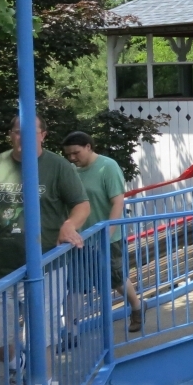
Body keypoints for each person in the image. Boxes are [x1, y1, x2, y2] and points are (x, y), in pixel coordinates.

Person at [0, 115, 89, 385]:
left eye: (31, 133)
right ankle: (15, 367)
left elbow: (81, 205)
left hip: (46, 265)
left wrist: (69, 225)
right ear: (11, 135)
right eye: (18, 132)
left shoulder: (57, 166)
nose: (23, 138)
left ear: (43, 135)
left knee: (40, 337)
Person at [61, 131, 144, 333]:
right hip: (79, 237)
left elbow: (117, 202)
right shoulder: (71, 170)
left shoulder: (108, 166)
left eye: (76, 153)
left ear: (88, 147)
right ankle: (71, 331)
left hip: (106, 236)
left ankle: (137, 307)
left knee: (115, 279)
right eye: (68, 154)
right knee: (75, 284)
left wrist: (108, 231)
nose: (72, 158)